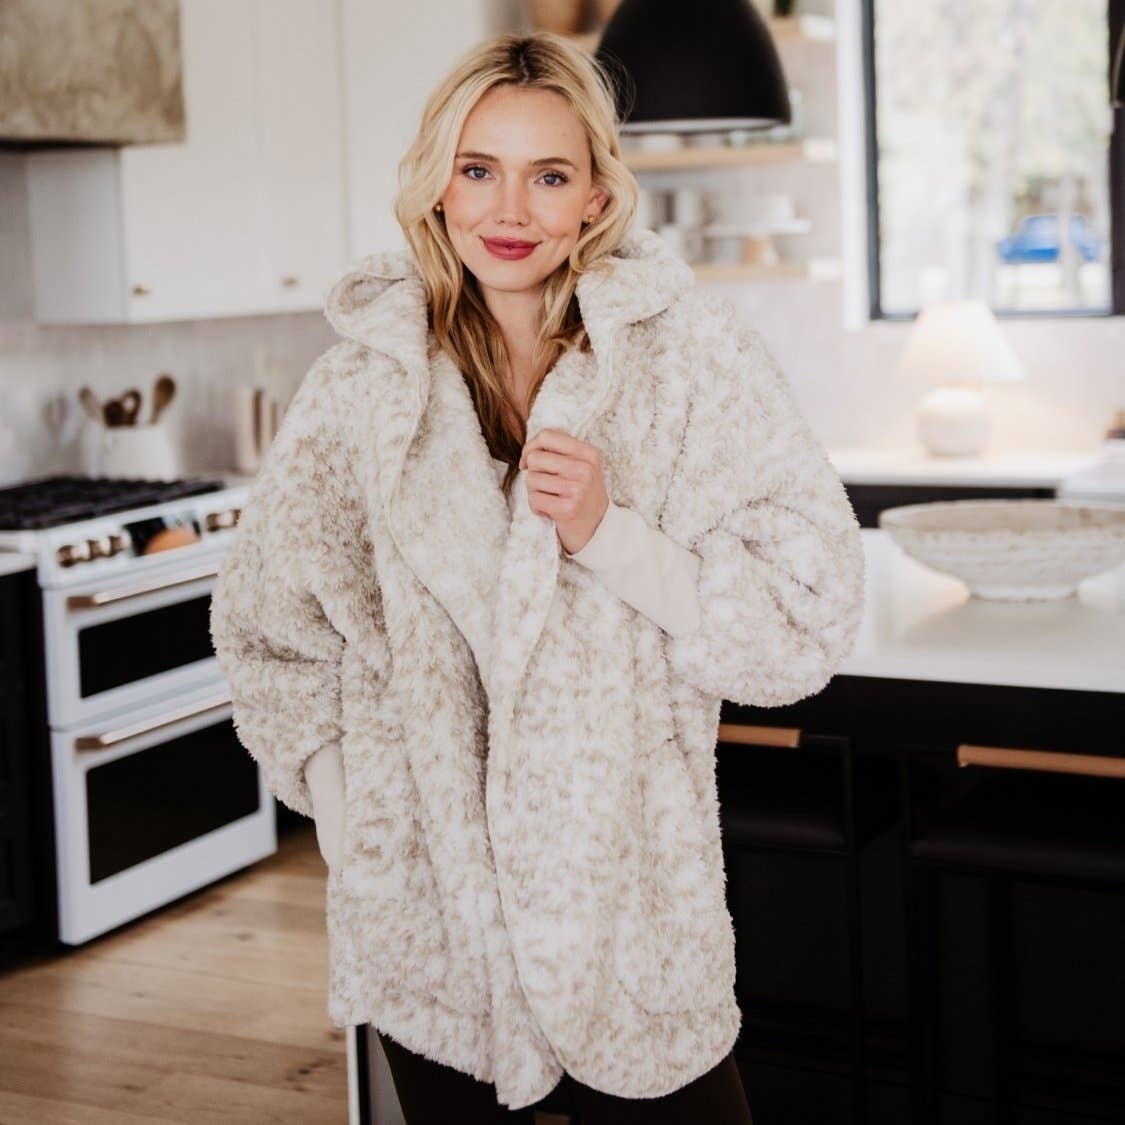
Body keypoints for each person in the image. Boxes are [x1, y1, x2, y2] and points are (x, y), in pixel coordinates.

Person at [208, 29, 866, 1125]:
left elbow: (804, 614)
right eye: (479, 170)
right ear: (439, 184)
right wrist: (359, 832)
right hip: (431, 917)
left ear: (596, 196)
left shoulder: (690, 363)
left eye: (548, 176)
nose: (509, 210)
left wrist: (610, 534)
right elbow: (269, 633)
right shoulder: (359, 391)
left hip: (628, 901)